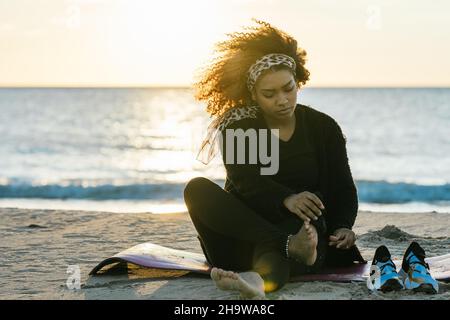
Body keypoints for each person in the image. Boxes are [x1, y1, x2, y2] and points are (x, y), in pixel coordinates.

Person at [184, 19, 365, 299]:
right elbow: (245, 183)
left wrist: (343, 226)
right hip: (241, 236)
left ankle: (257, 282)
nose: (282, 100)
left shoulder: (323, 127)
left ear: (298, 82)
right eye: (269, 94)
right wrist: (286, 199)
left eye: (288, 88)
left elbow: (342, 185)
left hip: (305, 237)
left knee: (302, 228)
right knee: (196, 189)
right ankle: (285, 247)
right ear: (253, 95)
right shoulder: (239, 125)